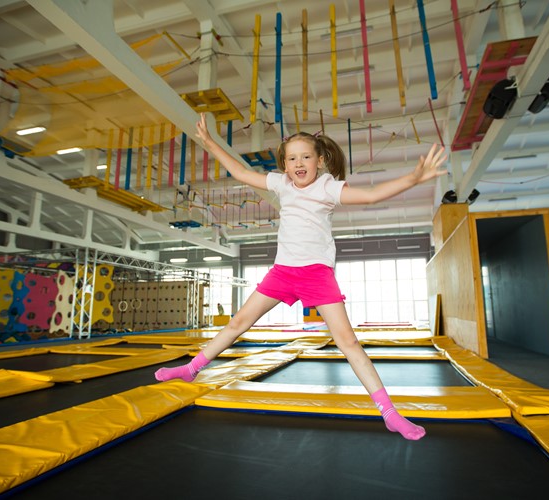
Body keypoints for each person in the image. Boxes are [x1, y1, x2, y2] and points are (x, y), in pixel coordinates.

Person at [155, 113, 448, 440]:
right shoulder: (281, 183)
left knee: (348, 342)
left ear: (319, 160)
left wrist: (413, 178)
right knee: (238, 323)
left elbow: (371, 195)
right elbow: (239, 171)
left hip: (316, 274)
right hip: (282, 272)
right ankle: (191, 369)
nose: (298, 163)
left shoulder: (327, 187)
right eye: (291, 158)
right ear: (284, 164)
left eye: (305, 157)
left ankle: (390, 413)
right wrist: (209, 142)